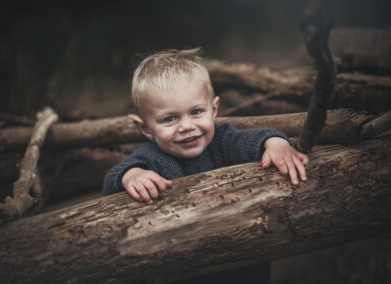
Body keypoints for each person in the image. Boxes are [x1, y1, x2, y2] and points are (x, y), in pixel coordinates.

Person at [103, 48, 308, 283]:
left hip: (244, 261)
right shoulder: (150, 158)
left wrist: (276, 143)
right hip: (186, 266)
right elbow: (113, 181)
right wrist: (132, 175)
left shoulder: (222, 140)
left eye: (196, 112)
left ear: (214, 109)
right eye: (170, 118)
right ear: (146, 128)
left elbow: (252, 139)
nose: (186, 126)